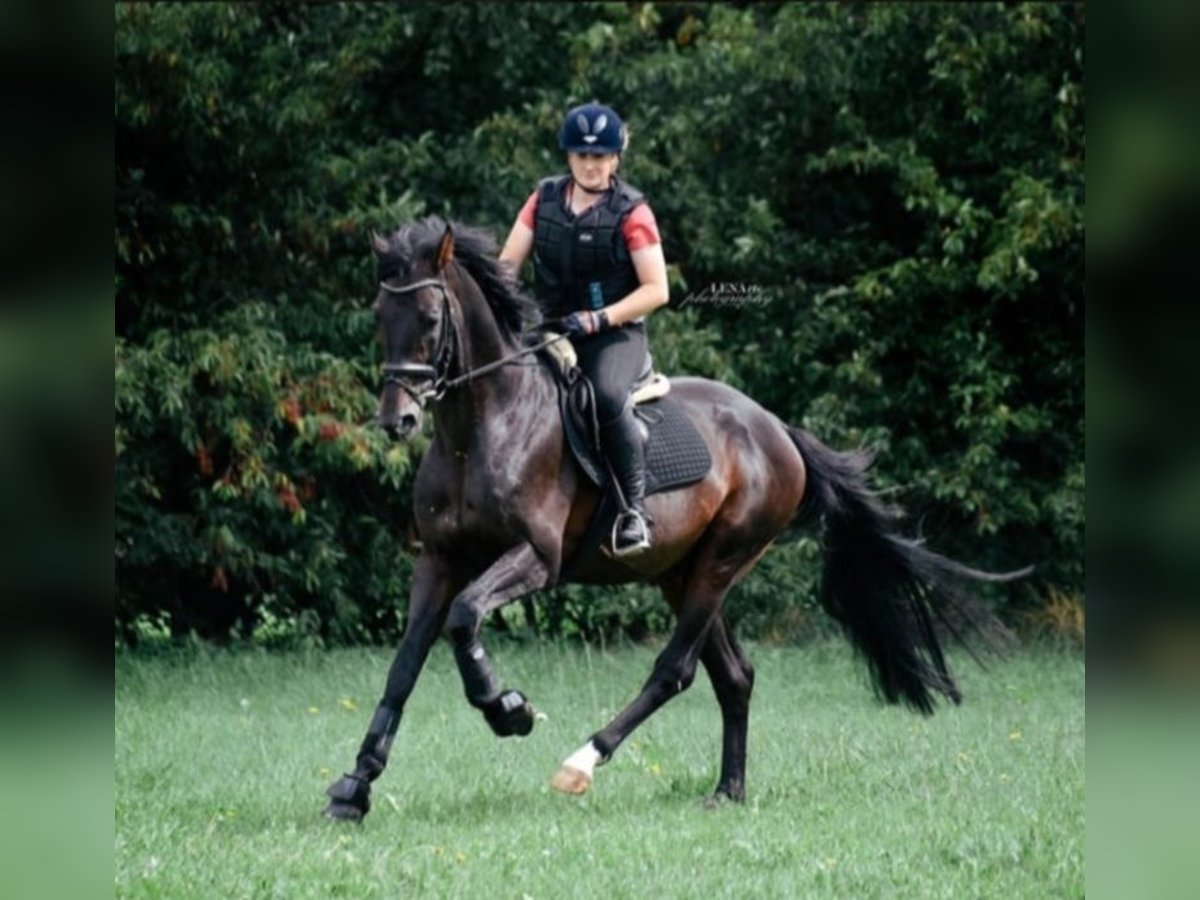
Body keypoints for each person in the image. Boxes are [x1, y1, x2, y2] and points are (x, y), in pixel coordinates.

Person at [499, 101, 669, 557]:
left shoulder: (633, 212)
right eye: (581, 156)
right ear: (568, 158)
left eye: (600, 156)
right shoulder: (543, 199)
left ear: (615, 158)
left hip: (614, 335)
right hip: (550, 329)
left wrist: (599, 318)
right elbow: (507, 268)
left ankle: (633, 511)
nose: (590, 165)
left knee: (607, 395)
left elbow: (657, 290)